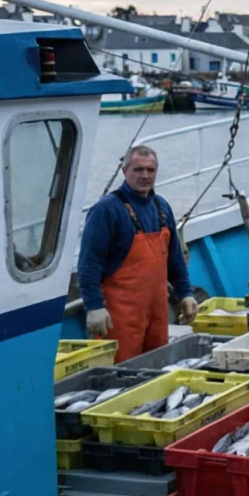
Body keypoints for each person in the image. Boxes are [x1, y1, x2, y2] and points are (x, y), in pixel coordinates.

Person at [78, 145, 198, 362]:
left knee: (156, 366)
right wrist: (94, 306)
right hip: (119, 316)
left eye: (150, 170)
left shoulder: (161, 207)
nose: (145, 176)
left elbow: (175, 260)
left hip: (157, 312)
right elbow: (89, 263)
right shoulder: (106, 209)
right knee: (121, 373)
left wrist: (185, 293)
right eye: (138, 170)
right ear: (124, 172)